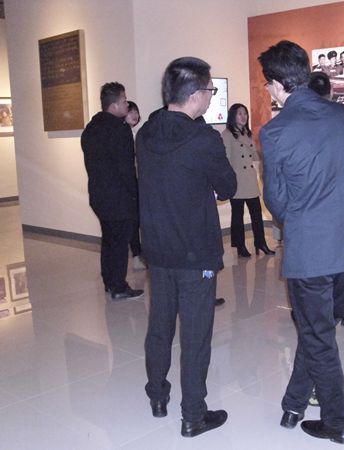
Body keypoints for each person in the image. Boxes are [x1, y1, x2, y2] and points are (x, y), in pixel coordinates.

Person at [259, 40, 344, 444]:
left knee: (317, 335)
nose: (268, 90)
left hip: (313, 248)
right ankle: (294, 403)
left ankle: (337, 421)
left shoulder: (276, 131)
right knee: (321, 328)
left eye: (267, 84)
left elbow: (276, 199)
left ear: (278, 84)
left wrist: (300, 220)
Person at [136, 57, 237, 438]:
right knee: (196, 335)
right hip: (196, 252)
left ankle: (157, 397)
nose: (211, 97)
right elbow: (227, 187)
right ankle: (193, 415)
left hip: (157, 248)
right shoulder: (203, 139)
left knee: (159, 326)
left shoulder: (145, 133)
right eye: (210, 90)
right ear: (195, 95)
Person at [307, 71, 344, 327]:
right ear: (330, 91)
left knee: (321, 261)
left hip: (315, 200)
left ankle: (327, 310)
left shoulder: (302, 120)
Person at [81, 82, 144, 301]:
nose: (127, 104)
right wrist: (135, 196)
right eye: (124, 101)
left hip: (99, 195)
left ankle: (109, 281)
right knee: (118, 244)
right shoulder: (119, 129)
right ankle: (118, 286)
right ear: (115, 105)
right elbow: (126, 168)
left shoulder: (91, 128)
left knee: (108, 240)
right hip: (119, 197)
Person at [221, 103, 275, 258]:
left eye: (245, 113)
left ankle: (261, 243)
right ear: (233, 116)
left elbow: (254, 155)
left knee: (256, 214)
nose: (243, 117)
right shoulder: (227, 134)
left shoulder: (247, 133)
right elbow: (226, 160)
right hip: (237, 181)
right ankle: (240, 246)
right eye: (239, 113)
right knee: (237, 216)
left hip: (250, 179)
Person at [123, 100, 147, 270]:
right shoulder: (124, 135)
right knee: (133, 221)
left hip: (139, 182)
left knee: (139, 220)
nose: (135, 115)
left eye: (136, 112)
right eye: (130, 111)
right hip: (130, 185)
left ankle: (140, 254)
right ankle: (137, 255)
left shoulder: (135, 134)